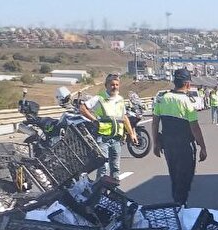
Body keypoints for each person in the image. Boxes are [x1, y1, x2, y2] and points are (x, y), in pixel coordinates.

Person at [152, 68, 208, 206]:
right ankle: (181, 206)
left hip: (168, 146)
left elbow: (154, 123)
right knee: (185, 177)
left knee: (175, 177)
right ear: (188, 84)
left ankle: (178, 204)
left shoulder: (162, 98)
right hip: (185, 147)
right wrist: (203, 147)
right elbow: (194, 127)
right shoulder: (187, 102)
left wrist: (155, 143)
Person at [79, 73, 139, 181]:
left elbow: (124, 117)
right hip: (103, 138)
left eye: (116, 85)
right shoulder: (99, 98)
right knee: (103, 167)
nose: (114, 87)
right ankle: (99, 193)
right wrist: (94, 120)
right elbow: (83, 108)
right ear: (106, 85)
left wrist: (132, 134)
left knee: (115, 167)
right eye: (112, 85)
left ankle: (113, 192)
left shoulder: (120, 99)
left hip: (116, 138)